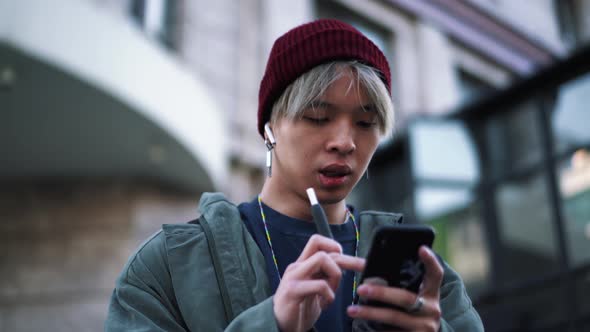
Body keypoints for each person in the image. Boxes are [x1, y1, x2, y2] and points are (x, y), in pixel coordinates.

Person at [105, 19, 484, 332]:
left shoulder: (424, 273)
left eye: (366, 123)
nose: (344, 141)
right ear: (268, 127)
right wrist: (272, 323)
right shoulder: (170, 265)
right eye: (317, 118)